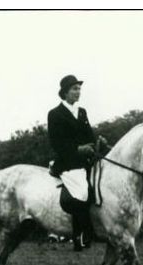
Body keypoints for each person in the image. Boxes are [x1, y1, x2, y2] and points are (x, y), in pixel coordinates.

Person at [47, 75, 107, 251]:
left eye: (79, 89)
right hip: (68, 162)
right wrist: (78, 150)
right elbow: (57, 143)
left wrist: (98, 143)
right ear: (65, 92)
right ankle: (80, 237)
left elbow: (88, 136)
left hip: (85, 161)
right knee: (82, 192)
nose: (78, 92)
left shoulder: (82, 112)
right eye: (74, 89)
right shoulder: (55, 114)